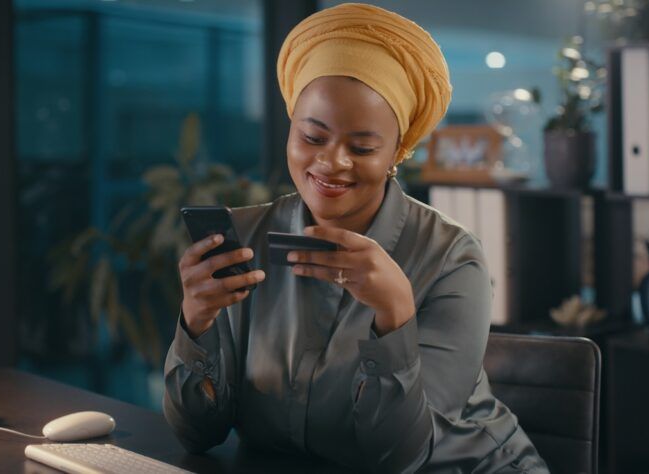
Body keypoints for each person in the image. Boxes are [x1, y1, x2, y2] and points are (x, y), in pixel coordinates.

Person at [163, 3, 547, 473]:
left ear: (396, 153)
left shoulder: (451, 258)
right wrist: (195, 324)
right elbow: (196, 435)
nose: (332, 162)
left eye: (362, 148)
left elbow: (401, 458)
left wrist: (395, 316)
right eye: (312, 137)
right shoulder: (244, 240)